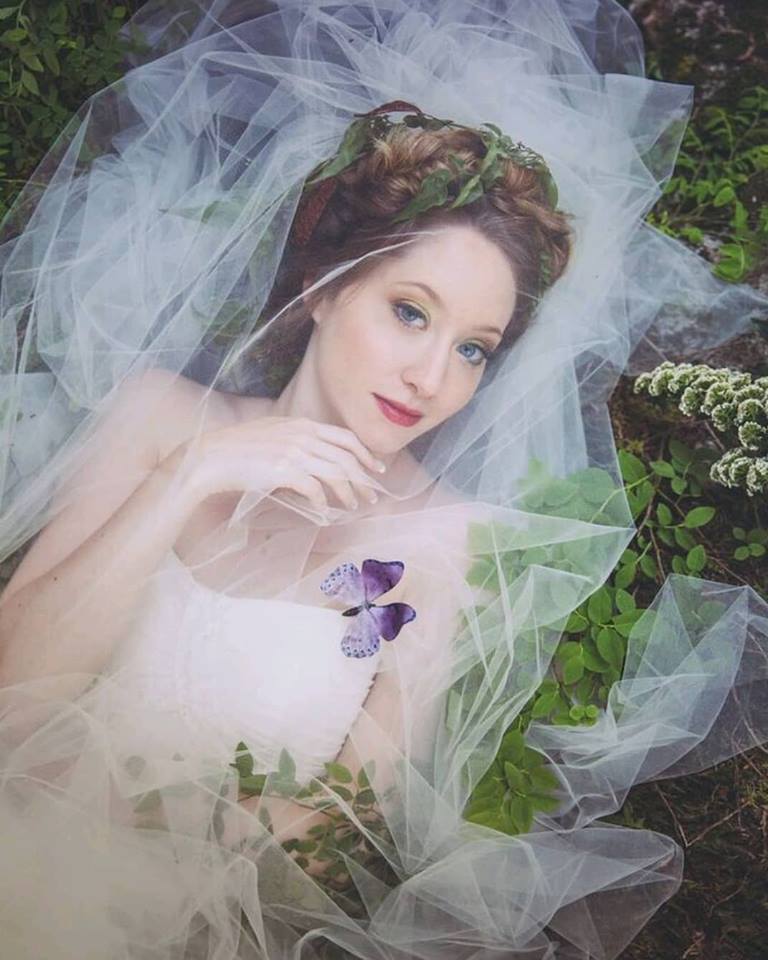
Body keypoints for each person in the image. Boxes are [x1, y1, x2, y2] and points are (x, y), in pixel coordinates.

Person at [0, 2, 766, 958]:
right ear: (325, 287)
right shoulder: (159, 418)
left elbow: (345, 831)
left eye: (475, 348)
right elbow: (13, 682)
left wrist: (173, 852)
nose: (432, 377)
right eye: (410, 311)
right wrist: (191, 477)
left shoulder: (437, 546)